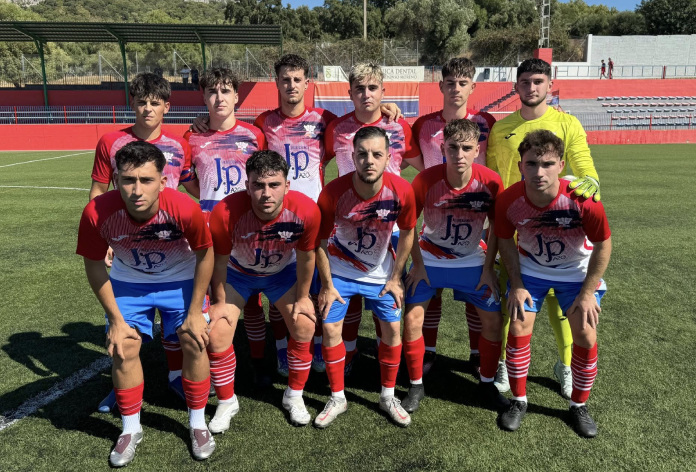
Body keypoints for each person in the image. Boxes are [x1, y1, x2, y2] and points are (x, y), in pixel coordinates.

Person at [77, 142, 216, 465]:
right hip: (129, 282)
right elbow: (94, 266)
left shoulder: (184, 208)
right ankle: (130, 429)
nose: (137, 190)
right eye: (128, 180)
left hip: (180, 278)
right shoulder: (97, 212)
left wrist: (195, 311)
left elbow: (205, 254)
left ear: (163, 182)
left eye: (146, 180)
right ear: (115, 180)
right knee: (123, 346)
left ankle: (198, 423)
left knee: (195, 340)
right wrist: (115, 320)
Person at [487, 58, 601, 398]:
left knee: (563, 311)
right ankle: (505, 364)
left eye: (538, 81)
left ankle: (566, 366)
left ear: (550, 85)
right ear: (516, 86)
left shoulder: (567, 123)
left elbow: (583, 164)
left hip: (559, 232)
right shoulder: (501, 129)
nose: (532, 87)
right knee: (512, 304)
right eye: (525, 81)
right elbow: (494, 179)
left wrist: (591, 181)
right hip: (513, 232)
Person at [90, 72, 198, 413]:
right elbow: (99, 191)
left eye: (154, 102)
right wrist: (104, 238)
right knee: (123, 332)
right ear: (132, 104)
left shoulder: (180, 145)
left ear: (167, 107)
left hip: (174, 248)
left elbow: (190, 187)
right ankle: (120, 386)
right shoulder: (110, 142)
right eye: (141, 102)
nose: (147, 109)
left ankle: (177, 377)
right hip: (128, 246)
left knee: (180, 328)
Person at [495, 130, 611, 438]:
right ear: (520, 166)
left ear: (561, 165)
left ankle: (578, 405)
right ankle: (519, 400)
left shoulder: (582, 199)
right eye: (531, 164)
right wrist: (517, 284)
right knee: (518, 325)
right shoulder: (508, 200)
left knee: (585, 331)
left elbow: (603, 244)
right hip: (531, 270)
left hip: (575, 272)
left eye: (547, 164)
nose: (539, 172)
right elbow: (504, 240)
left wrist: (588, 293)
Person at [207, 150, 321, 428]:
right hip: (238, 275)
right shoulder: (225, 212)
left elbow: (307, 258)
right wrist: (219, 302)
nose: (266, 193)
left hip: (281, 275)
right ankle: (226, 401)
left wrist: (303, 297)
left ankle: (294, 395)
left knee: (305, 323)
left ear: (287, 185)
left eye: (274, 184)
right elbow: (219, 262)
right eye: (258, 185)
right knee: (217, 331)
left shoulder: (306, 211)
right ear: (247, 186)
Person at [402, 119, 508, 415]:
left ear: (477, 150)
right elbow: (408, 226)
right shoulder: (425, 180)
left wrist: (488, 268)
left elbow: (497, 229)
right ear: (442, 148)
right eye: (453, 147)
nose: (459, 154)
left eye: (466, 148)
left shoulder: (491, 182)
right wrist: (418, 265)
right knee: (411, 320)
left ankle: (487, 384)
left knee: (493, 322)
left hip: (473, 260)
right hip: (430, 260)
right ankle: (416, 385)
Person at [323, 62, 422, 374]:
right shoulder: (336, 129)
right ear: (349, 93)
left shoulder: (399, 126)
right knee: (347, 298)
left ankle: (385, 362)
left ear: (383, 91)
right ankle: (349, 354)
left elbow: (423, 165)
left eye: (373, 88)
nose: (366, 94)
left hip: (390, 227)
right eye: (359, 89)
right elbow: (315, 162)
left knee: (386, 295)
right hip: (347, 225)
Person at [315, 126, 417, 428]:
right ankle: (337, 397)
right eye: (362, 154)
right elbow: (319, 242)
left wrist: (396, 278)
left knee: (393, 330)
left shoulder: (401, 191)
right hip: (340, 273)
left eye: (376, 154)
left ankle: (387, 396)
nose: (369, 160)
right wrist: (327, 284)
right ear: (353, 156)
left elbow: (408, 232)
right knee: (330, 328)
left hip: (381, 274)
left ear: (388, 157)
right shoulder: (333, 192)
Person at [185, 68, 276, 387]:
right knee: (212, 299)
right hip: (211, 231)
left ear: (237, 96)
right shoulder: (191, 138)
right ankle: (214, 366)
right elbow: (189, 181)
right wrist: (211, 201)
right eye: (212, 91)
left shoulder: (254, 136)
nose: (219, 98)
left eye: (225, 91)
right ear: (203, 96)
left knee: (251, 301)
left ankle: (259, 360)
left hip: (248, 229)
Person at [411, 57, 497, 376]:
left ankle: (477, 355)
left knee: (476, 293)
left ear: (473, 86)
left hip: (478, 218)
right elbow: (407, 159)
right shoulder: (422, 125)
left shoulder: (487, 122)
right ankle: (429, 351)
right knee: (430, 292)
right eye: (450, 83)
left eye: (463, 83)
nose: (456, 89)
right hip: (436, 218)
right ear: (441, 86)